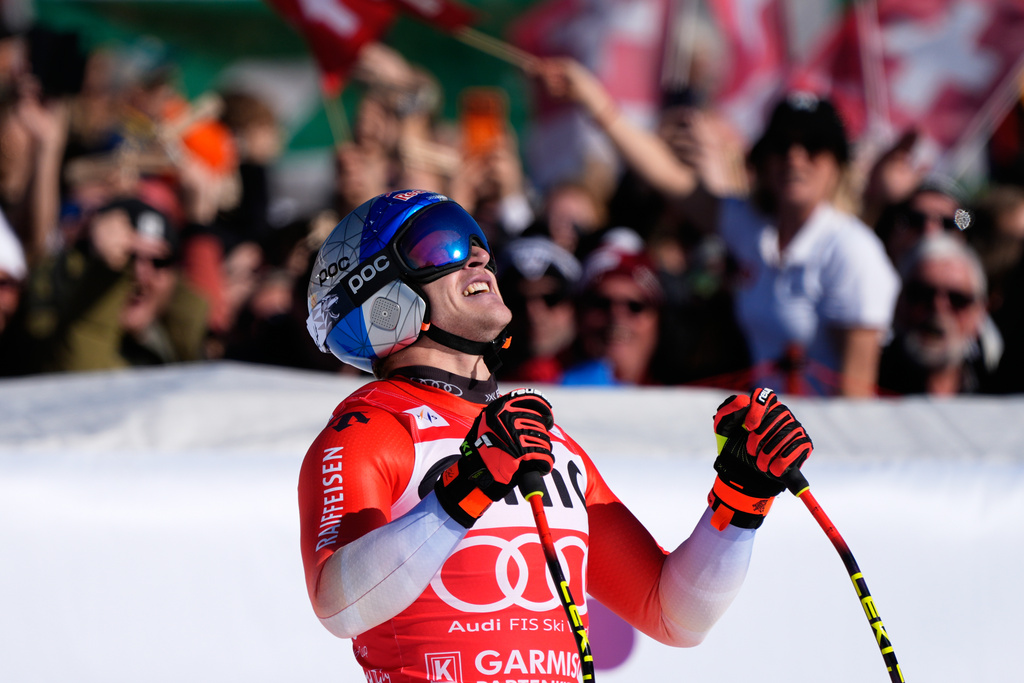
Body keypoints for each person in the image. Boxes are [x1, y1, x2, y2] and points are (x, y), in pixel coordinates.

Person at [297, 189, 814, 681]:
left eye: (477, 241)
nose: (477, 256)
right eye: (442, 243)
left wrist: (739, 504)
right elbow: (339, 606)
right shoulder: (369, 429)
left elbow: (673, 615)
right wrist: (468, 488)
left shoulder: (542, 438)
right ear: (384, 299)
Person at [535, 60, 899, 396]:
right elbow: (667, 175)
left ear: (838, 163)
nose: (795, 158)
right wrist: (592, 97)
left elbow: (856, 395)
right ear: (763, 159)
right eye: (781, 145)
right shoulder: (755, 231)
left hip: (823, 450)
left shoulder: (852, 250)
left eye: (814, 147)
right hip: (767, 441)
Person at [878, 234, 996, 395]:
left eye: (957, 299)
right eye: (922, 294)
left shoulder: (998, 392)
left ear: (980, 312)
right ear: (898, 303)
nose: (938, 307)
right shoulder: (862, 385)